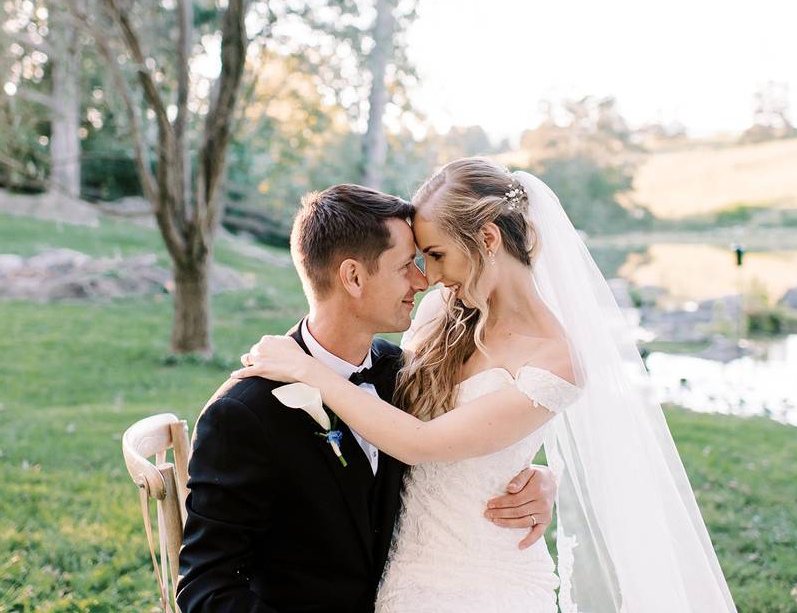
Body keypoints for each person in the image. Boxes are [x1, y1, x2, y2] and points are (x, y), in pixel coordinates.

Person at [234, 158, 738, 612]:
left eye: (435, 254)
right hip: (405, 570)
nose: (426, 276)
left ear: (488, 240)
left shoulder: (556, 360)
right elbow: (390, 409)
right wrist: (537, 473)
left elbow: (423, 442)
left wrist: (307, 370)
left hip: (489, 577)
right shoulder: (439, 315)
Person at [176, 183, 557, 613]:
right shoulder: (245, 414)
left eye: (426, 260)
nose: (424, 280)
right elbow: (206, 588)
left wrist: (532, 477)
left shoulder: (403, 373)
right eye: (406, 266)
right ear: (354, 277)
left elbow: (452, 447)